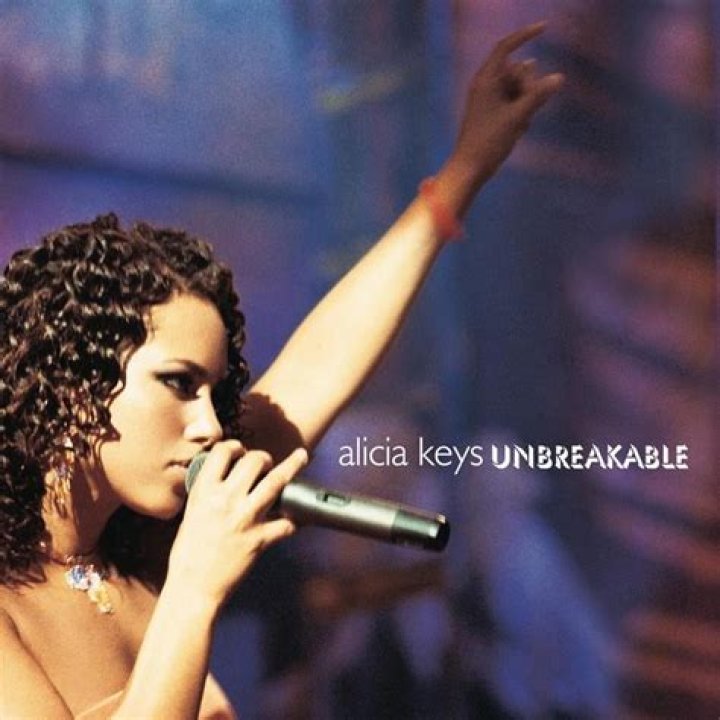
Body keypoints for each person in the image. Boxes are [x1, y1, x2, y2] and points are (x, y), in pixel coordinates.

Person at [0, 23, 563, 719]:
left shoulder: (137, 545)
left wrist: (463, 171)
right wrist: (194, 589)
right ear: (72, 378)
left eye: (214, 393)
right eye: (178, 384)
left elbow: (316, 366)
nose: (210, 427)